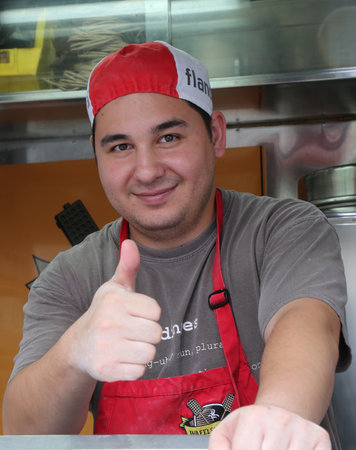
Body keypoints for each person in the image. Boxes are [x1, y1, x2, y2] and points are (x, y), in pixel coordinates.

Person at [2, 41, 351, 449]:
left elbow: (307, 327)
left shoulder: (280, 229)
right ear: (96, 156)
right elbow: (24, 429)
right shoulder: (71, 276)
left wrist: (279, 415)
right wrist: (73, 354)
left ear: (216, 135)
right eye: (120, 147)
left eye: (168, 137)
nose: (147, 171)